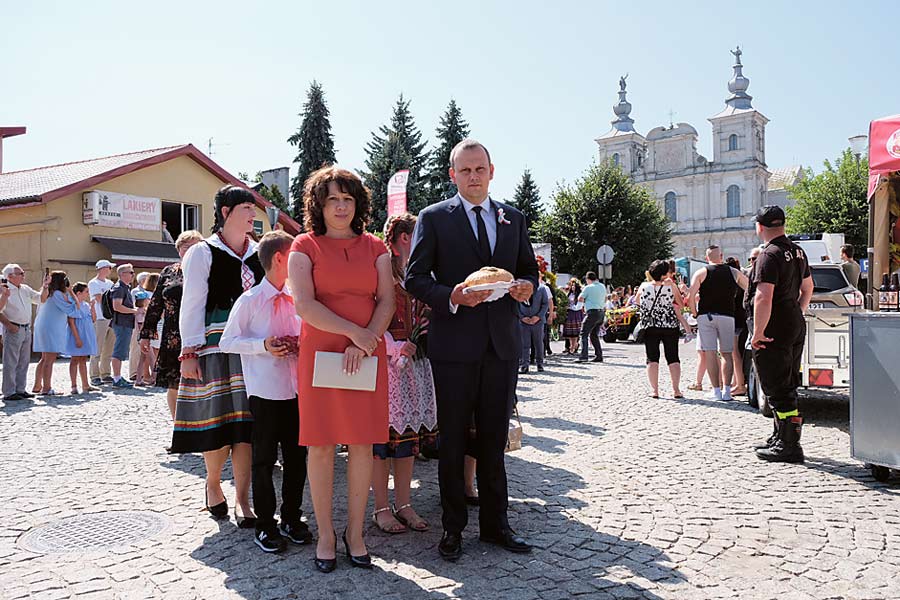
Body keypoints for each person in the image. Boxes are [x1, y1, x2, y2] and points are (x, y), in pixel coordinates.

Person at [406, 138, 537, 561]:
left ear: (492, 171)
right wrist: (453, 296)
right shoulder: (434, 217)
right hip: (454, 347)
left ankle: (497, 525)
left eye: (480, 169)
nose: (473, 176)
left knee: (494, 439)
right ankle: (453, 527)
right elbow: (414, 278)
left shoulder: (513, 218)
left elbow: (528, 269)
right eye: (465, 170)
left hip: (501, 345)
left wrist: (526, 286)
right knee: (453, 439)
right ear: (453, 175)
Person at [289, 166, 393, 572]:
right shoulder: (304, 245)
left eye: (347, 198)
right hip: (323, 353)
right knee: (321, 444)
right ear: (318, 204)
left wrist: (365, 341)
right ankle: (326, 535)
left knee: (362, 443)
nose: (340, 206)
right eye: (332, 198)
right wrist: (355, 334)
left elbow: (387, 301)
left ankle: (355, 533)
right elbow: (304, 305)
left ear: (358, 204)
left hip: (366, 353)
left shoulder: (376, 247)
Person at [175, 185, 264, 527]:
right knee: (219, 422)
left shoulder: (259, 251)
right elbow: (192, 303)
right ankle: (213, 483)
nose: (252, 214)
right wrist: (190, 351)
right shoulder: (202, 252)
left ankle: (243, 499)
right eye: (245, 208)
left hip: (253, 347)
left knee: (246, 427)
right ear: (225, 212)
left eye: (253, 208)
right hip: (216, 346)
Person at [220, 230, 310, 554]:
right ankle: (265, 524)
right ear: (280, 259)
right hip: (265, 391)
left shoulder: (298, 297)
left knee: (297, 458)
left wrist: (300, 344)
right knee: (264, 460)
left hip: (297, 389)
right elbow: (226, 342)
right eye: (296, 257)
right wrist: (262, 346)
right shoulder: (250, 300)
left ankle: (292, 517)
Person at [370, 213, 438, 536]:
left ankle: (404, 503)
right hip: (386, 364)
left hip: (413, 365)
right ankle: (381, 508)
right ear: (404, 238)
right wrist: (394, 346)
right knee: (381, 441)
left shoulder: (418, 272)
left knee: (408, 439)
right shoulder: (381, 269)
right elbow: (369, 316)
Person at [749, 206, 813, 463]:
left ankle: (789, 445)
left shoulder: (769, 254)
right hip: (793, 322)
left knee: (777, 386)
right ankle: (780, 436)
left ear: (760, 227)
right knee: (787, 381)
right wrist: (797, 312)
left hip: (774, 328)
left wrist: (758, 332)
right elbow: (808, 287)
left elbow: (763, 297)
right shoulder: (798, 251)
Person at [140, 230, 204, 421]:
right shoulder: (168, 272)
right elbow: (156, 303)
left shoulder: (209, 270)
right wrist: (146, 333)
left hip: (200, 334)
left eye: (195, 247)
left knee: (201, 383)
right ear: (178, 250)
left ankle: (201, 427)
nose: (190, 251)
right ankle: (178, 427)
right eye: (186, 247)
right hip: (172, 337)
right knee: (174, 384)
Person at [686, 245, 749, 401]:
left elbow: (691, 296)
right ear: (721, 256)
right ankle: (727, 390)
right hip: (728, 316)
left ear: (706, 258)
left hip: (706, 316)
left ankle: (716, 390)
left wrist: (694, 313)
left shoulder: (701, 272)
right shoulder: (734, 272)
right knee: (727, 353)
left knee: (710, 353)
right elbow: (750, 288)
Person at [636, 260, 686, 398]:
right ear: (665, 274)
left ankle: (655, 390)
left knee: (652, 358)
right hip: (670, 325)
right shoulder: (671, 286)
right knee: (673, 357)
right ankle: (676, 390)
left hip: (651, 325)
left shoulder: (644, 286)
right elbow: (681, 304)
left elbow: (638, 301)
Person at [0, 265, 48, 401]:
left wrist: (45, 286)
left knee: (24, 361)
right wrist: (9, 325)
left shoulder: (25, 288)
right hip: (13, 328)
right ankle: (9, 391)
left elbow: (41, 299)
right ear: (10, 276)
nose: (23, 275)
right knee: (11, 361)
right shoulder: (3, 289)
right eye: (20, 273)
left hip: (26, 328)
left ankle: (20, 389)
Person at [32, 271, 76, 396]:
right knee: (49, 359)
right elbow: (71, 308)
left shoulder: (49, 293)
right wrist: (71, 292)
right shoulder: (57, 294)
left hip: (45, 326)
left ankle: (37, 385)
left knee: (44, 358)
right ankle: (47, 388)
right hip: (51, 328)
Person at [66, 282, 98, 394]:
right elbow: (71, 322)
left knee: (83, 359)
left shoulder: (86, 305)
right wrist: (77, 338)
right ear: (79, 293)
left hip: (86, 334)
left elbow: (93, 319)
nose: (88, 294)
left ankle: (85, 385)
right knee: (75, 359)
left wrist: (93, 307)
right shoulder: (73, 305)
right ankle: (73, 385)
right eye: (86, 292)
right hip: (77, 334)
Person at [88, 260, 117, 386]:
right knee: (97, 348)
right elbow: (100, 298)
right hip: (100, 318)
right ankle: (94, 375)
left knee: (109, 348)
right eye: (109, 268)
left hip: (111, 318)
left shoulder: (110, 283)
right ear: (103, 268)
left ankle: (105, 373)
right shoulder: (93, 283)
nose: (111, 270)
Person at [108, 264, 137, 389]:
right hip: (121, 323)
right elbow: (117, 306)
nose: (133, 275)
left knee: (121, 350)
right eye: (130, 272)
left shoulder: (124, 287)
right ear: (122, 274)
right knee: (119, 351)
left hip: (125, 323)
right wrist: (135, 311)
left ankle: (118, 377)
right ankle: (116, 378)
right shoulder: (119, 288)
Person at [726, 257, 749, 396]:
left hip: (736, 320)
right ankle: (737, 382)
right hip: (743, 319)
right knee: (737, 353)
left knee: (735, 354)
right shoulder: (743, 279)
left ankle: (740, 385)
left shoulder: (734, 282)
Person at [519, 279, 549, 374]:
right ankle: (524, 365)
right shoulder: (519, 288)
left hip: (538, 321)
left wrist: (538, 316)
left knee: (538, 343)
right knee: (524, 344)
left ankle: (540, 363)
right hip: (524, 321)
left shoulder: (541, 289)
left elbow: (545, 303)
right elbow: (515, 304)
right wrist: (522, 317)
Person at [577, 271, 607, 363]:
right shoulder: (602, 286)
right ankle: (599, 355)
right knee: (594, 335)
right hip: (601, 312)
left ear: (588, 279)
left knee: (584, 334)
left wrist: (587, 300)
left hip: (592, 312)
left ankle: (584, 356)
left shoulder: (588, 287)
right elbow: (605, 298)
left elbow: (580, 298)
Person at [562, 279, 583, 354]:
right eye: (572, 285)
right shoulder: (569, 294)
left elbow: (579, 306)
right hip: (569, 313)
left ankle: (573, 347)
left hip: (576, 313)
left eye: (574, 286)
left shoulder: (580, 295)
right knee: (570, 333)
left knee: (575, 332)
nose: (573, 287)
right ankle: (572, 345)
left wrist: (570, 307)